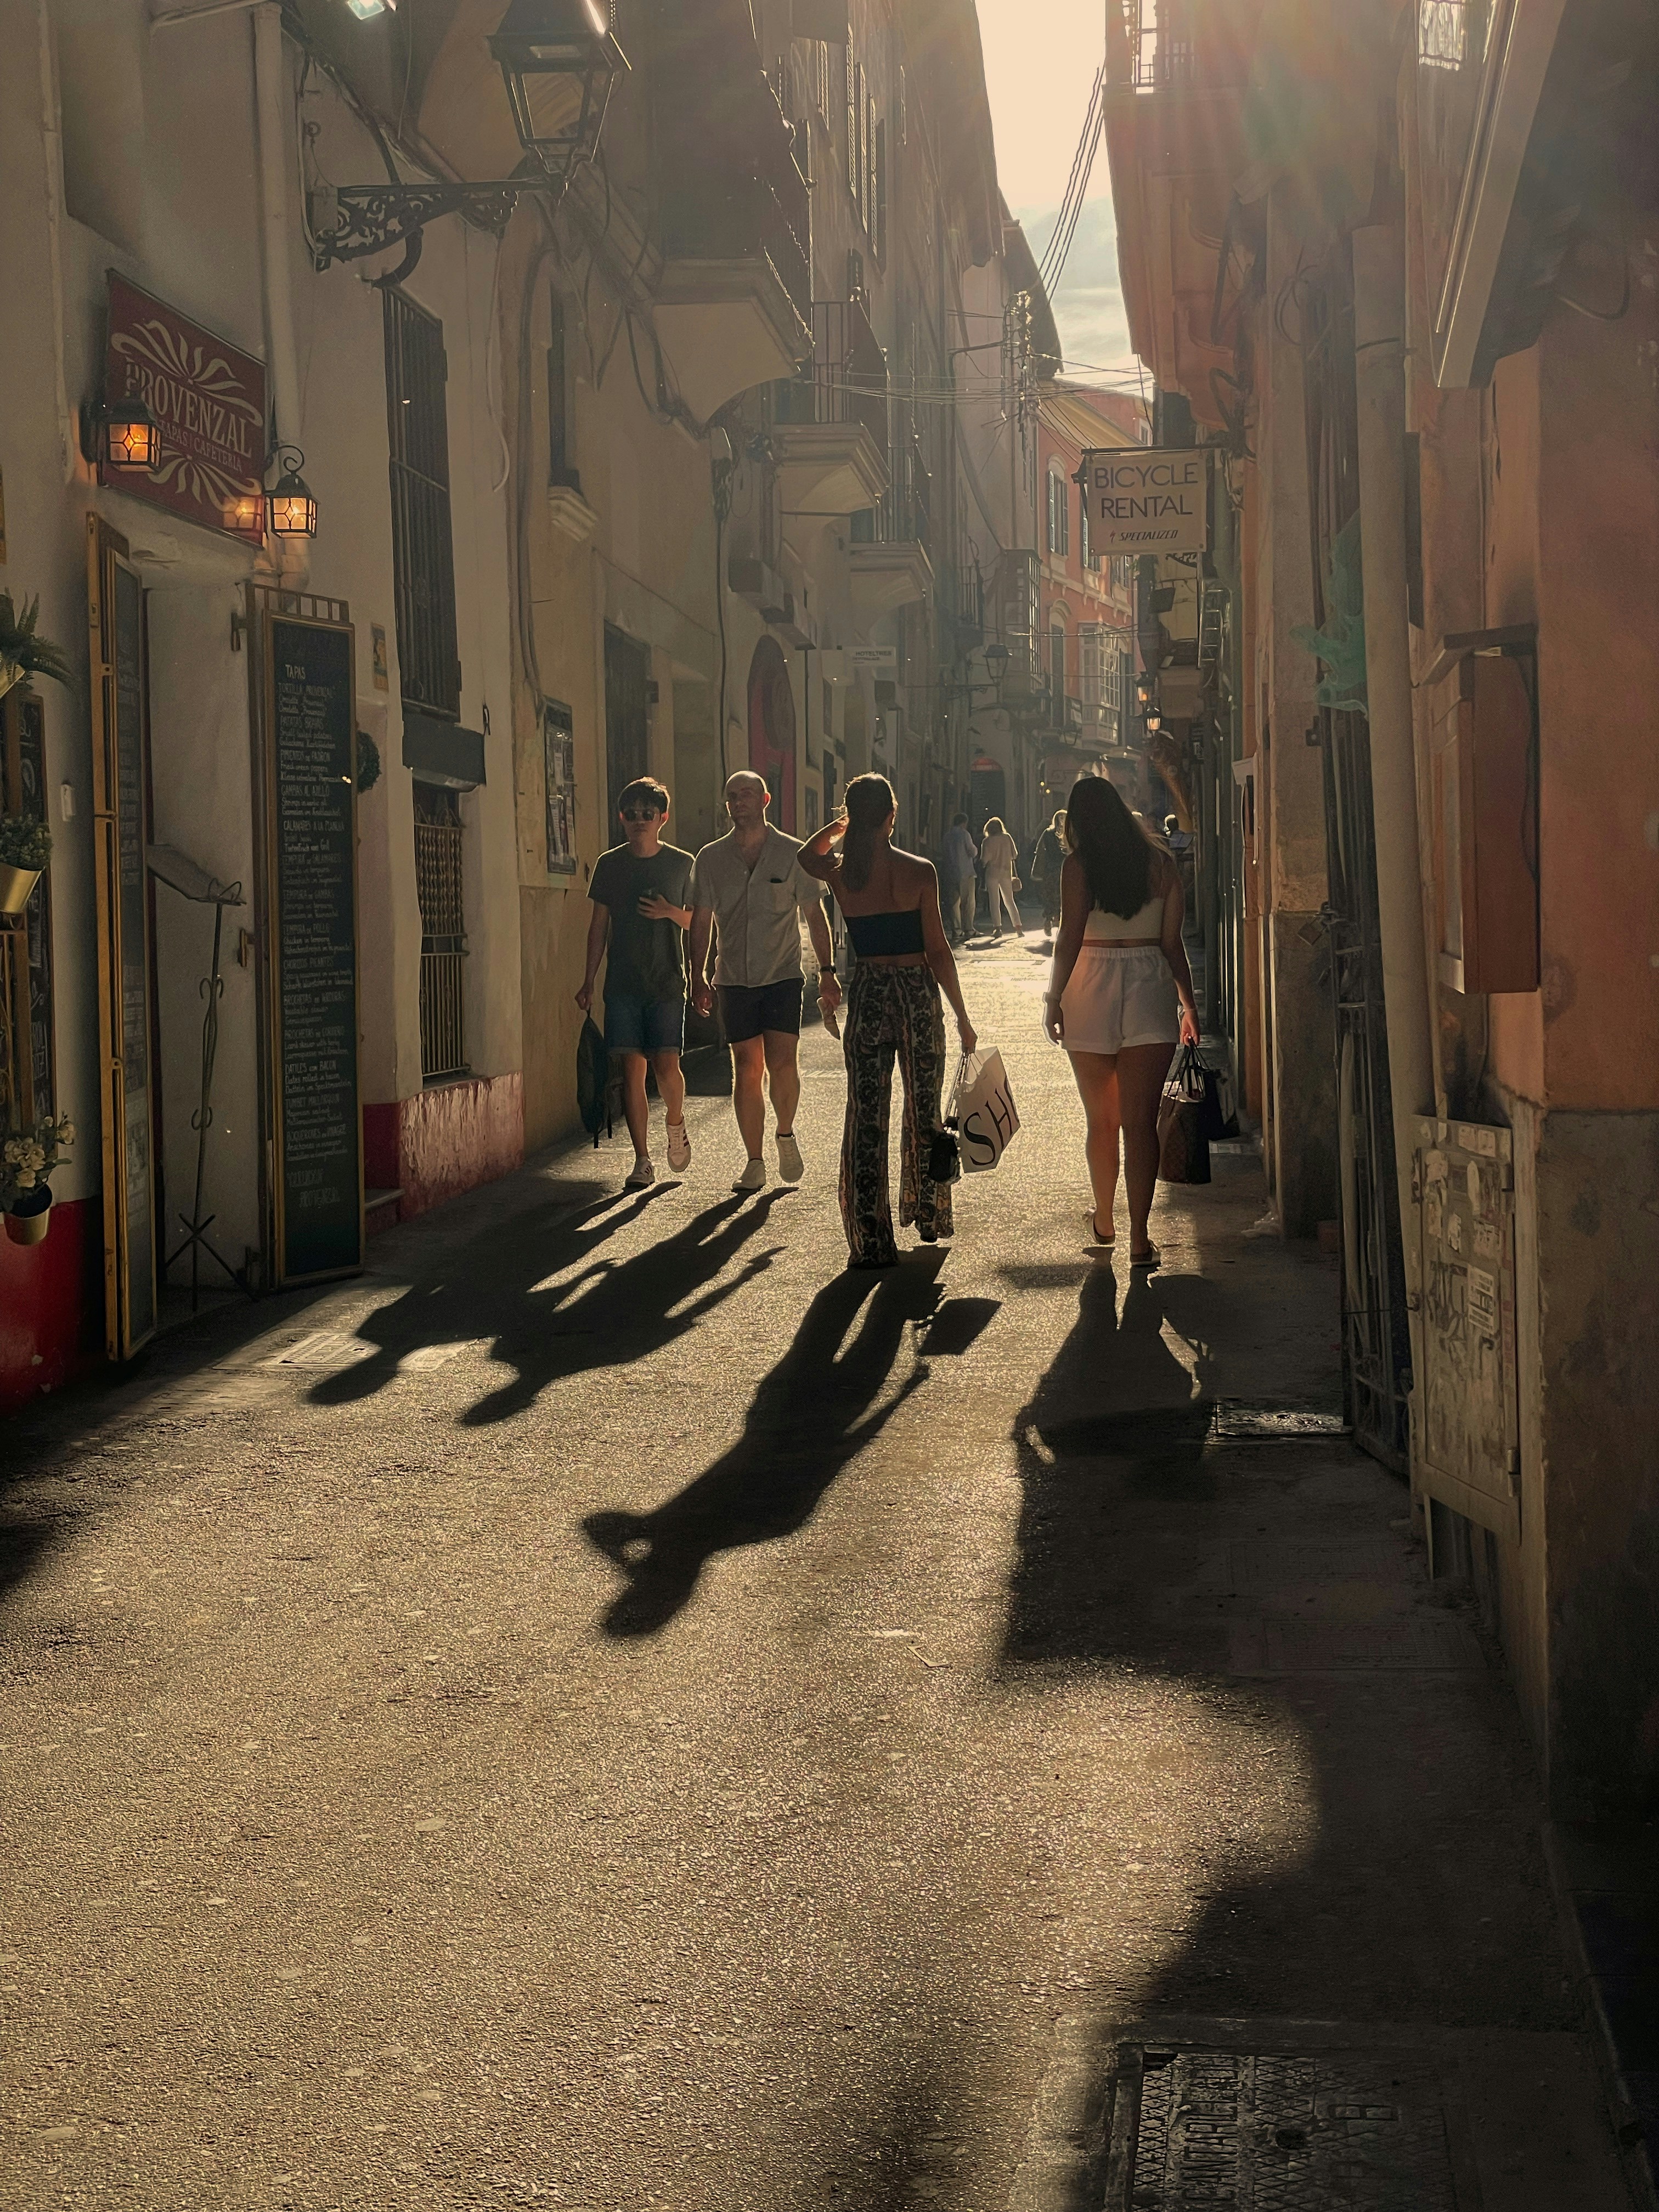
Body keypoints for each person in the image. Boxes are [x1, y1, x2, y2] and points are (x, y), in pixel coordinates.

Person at [799, 774, 977, 1269]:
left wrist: (843, 827)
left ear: (855, 816)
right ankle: (928, 1214)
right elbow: (939, 952)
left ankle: (870, 1238)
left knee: (866, 1117)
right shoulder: (920, 871)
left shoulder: (843, 873)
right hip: (917, 994)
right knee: (925, 1113)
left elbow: (805, 857)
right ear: (893, 816)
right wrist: (962, 1015)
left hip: (871, 991)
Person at [1043, 776, 1199, 1267]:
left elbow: (1069, 938)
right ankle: (1139, 1237)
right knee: (1140, 1125)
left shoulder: (1078, 867)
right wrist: (1189, 1007)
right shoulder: (1161, 866)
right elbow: (1173, 944)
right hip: (1149, 984)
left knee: (1102, 1122)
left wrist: (1053, 998)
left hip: (1090, 984)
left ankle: (1105, 1218)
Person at [690, 770, 843, 1193]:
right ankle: (754, 1161)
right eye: (732, 796)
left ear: (765, 800)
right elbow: (700, 922)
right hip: (733, 978)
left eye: (747, 795)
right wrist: (697, 975)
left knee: (781, 1063)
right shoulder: (711, 859)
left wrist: (827, 973)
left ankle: (786, 1133)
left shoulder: (793, 855)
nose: (739, 802)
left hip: (781, 975)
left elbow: (815, 916)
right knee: (746, 1068)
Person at [575, 777, 695, 1190]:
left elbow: (699, 920)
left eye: (648, 814)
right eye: (632, 815)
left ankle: (676, 1123)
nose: (639, 821)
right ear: (622, 818)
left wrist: (669, 911)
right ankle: (642, 1160)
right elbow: (598, 928)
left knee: (667, 1066)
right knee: (632, 1072)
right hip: (622, 984)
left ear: (663, 818)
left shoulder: (681, 863)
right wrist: (589, 980)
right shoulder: (610, 864)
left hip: (665, 982)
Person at [980, 816, 1022, 939]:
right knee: (1010, 900)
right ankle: (1018, 927)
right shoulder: (1007, 838)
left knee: (994, 901)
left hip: (992, 874)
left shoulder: (987, 842)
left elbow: (984, 860)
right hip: (1006, 873)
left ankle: (997, 928)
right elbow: (1015, 855)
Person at [1030, 809, 1067, 945]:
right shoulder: (1068, 833)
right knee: (1063, 898)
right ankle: (1060, 925)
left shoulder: (1047, 833)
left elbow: (1039, 850)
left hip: (1050, 870)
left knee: (1050, 896)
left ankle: (1048, 919)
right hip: (1065, 870)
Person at [941, 811, 978, 944]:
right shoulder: (965, 834)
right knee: (968, 902)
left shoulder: (947, 836)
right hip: (966, 872)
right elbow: (971, 851)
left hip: (950, 873)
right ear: (964, 823)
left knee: (954, 904)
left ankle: (956, 930)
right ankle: (969, 929)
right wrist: (976, 850)